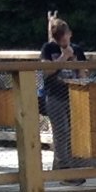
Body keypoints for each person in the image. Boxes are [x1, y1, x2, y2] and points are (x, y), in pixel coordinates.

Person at [39, 13, 90, 174]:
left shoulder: (78, 49)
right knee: (61, 131)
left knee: (76, 130)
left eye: (65, 37)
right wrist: (64, 56)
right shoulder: (49, 49)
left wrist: (75, 63)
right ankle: (63, 167)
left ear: (70, 34)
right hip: (54, 95)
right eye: (59, 38)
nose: (63, 41)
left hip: (74, 96)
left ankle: (72, 165)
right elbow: (47, 71)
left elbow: (82, 73)